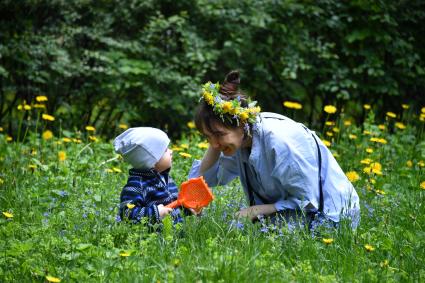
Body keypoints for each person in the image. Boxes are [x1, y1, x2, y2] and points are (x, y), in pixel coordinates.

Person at [188, 70, 360, 230]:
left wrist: (258, 209)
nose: (214, 144)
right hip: (288, 215)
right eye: (207, 137)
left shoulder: (279, 142)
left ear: (241, 123)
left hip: (330, 218)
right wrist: (215, 140)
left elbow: (308, 201)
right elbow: (208, 180)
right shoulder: (239, 140)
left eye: (219, 135)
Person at [114, 127, 195, 226]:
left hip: (172, 238)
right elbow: (126, 214)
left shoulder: (165, 178)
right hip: (151, 238)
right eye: (165, 150)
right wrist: (155, 213)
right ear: (152, 161)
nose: (171, 151)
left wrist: (186, 208)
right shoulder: (136, 186)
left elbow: (173, 204)